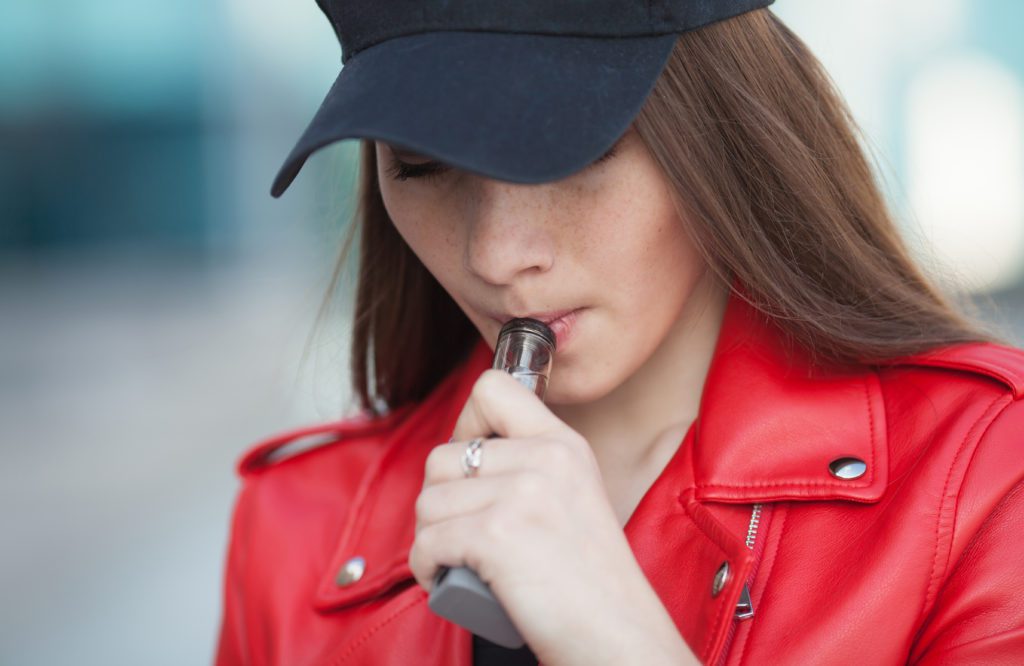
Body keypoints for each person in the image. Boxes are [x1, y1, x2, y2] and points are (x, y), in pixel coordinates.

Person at [215, 1, 1024, 664]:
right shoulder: (293, 527)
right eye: (423, 166)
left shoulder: (986, 479)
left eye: (571, 150)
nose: (496, 256)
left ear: (719, 129)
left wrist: (616, 639)